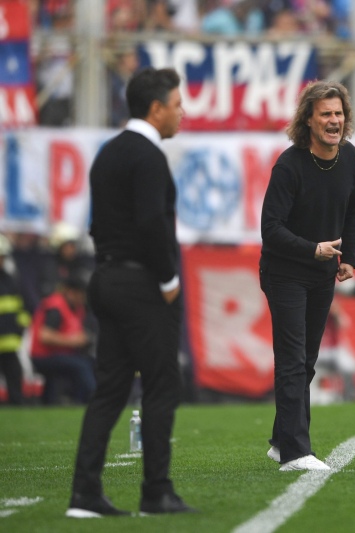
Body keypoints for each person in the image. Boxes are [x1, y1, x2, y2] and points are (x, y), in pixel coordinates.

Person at [66, 67, 196, 518]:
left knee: (110, 390)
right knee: (163, 385)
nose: (183, 113)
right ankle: (156, 492)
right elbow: (150, 223)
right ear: (156, 108)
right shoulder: (148, 156)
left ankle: (84, 495)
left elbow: (97, 224)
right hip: (142, 284)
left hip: (105, 277)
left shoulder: (108, 153)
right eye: (178, 104)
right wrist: (168, 279)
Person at [260, 80, 355, 471]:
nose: (334, 121)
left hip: (322, 273)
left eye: (338, 114)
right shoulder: (289, 166)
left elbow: (354, 207)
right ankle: (295, 452)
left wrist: (347, 256)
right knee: (291, 359)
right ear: (309, 120)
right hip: (284, 273)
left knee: (305, 361)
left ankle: (280, 439)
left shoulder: (350, 158)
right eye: (326, 114)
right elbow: (271, 228)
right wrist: (312, 249)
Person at [29, 276, 95, 405]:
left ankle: (77, 399)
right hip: (43, 356)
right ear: (70, 292)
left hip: (61, 354)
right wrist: (73, 341)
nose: (82, 298)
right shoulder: (56, 306)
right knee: (80, 365)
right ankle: (93, 398)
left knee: (90, 361)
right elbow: (45, 336)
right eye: (80, 294)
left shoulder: (76, 308)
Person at [0, 235, 30, 405]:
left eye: (3, 257)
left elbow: (20, 306)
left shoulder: (9, 279)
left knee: (14, 378)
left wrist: (21, 326)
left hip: (10, 342)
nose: (1, 260)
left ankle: (17, 407)